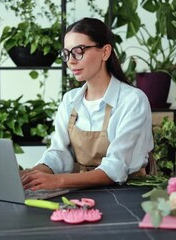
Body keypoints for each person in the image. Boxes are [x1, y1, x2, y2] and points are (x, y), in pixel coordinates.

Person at [21, 17, 153, 190]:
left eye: (79, 51)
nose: (71, 61)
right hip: (83, 191)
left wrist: (58, 181)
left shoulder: (133, 101)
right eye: (67, 53)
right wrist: (31, 175)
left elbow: (115, 168)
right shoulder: (70, 100)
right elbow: (59, 153)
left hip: (128, 193)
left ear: (105, 52)